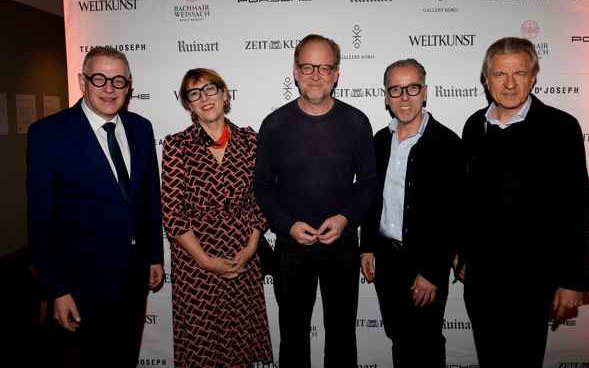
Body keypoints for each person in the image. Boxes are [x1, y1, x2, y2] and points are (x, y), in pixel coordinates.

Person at [457, 36, 589, 367]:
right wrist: (462, 251)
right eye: (500, 74)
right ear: (486, 79)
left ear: (533, 77)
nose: (509, 84)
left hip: (533, 278)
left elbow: (576, 207)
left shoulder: (560, 127)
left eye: (519, 73)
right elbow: (467, 198)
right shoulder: (474, 126)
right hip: (482, 279)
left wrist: (572, 279)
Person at [26, 46, 165, 368]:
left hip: (134, 276)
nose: (109, 88)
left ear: (129, 86)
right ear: (82, 81)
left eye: (118, 81)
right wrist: (57, 291)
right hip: (84, 281)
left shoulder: (141, 127)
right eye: (99, 78)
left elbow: (149, 198)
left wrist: (154, 256)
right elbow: (40, 222)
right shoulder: (48, 134)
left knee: (127, 355)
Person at [254, 33, 377, 367]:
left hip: (343, 246)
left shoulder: (356, 122)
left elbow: (368, 183)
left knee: (342, 338)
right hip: (291, 247)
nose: (316, 75)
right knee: (293, 338)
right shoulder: (274, 125)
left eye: (324, 67)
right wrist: (287, 225)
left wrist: (345, 218)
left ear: (336, 73)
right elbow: (262, 185)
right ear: (295, 71)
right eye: (308, 67)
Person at [161, 68, 273, 367]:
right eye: (194, 93)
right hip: (195, 262)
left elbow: (260, 202)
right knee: (202, 349)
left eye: (210, 89)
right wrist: (205, 260)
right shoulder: (177, 145)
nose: (204, 98)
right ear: (189, 104)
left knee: (240, 346)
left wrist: (250, 249)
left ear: (224, 94)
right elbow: (172, 212)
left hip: (241, 255)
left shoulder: (250, 140)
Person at [360, 58, 466, 367]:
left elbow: (455, 214)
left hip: (426, 262)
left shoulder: (447, 143)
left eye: (412, 88)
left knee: (426, 342)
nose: (404, 97)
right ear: (386, 96)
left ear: (425, 92)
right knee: (399, 337)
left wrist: (432, 272)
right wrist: (367, 245)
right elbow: (372, 199)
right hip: (387, 259)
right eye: (396, 89)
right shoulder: (379, 141)